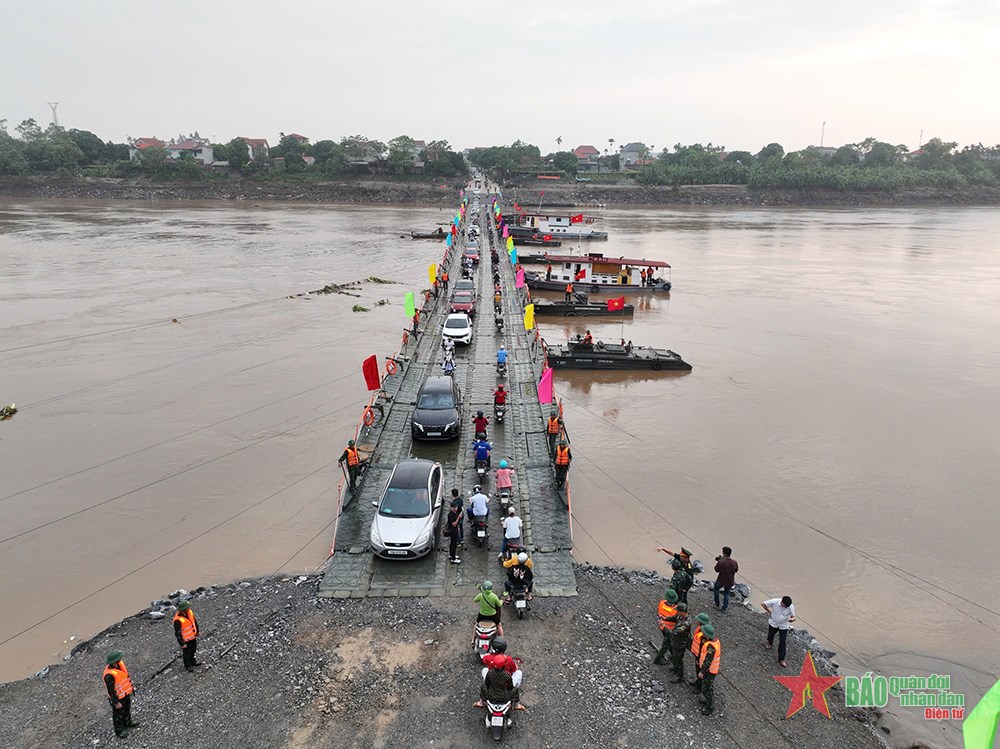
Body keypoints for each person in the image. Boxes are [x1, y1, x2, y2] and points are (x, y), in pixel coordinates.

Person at [103, 650, 138, 738]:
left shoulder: (119, 665)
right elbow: (111, 691)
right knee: (118, 714)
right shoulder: (109, 675)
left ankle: (128, 722)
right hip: (118, 698)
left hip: (125, 694)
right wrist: (116, 702)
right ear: (115, 661)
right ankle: (119, 730)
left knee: (127, 709)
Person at [693, 624, 721, 715]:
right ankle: (708, 701)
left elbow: (708, 661)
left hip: (709, 671)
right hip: (711, 671)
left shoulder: (711, 647)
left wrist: (702, 671)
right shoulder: (715, 642)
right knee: (709, 687)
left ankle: (710, 707)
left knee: (706, 689)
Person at [762, 595, 796, 667]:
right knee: (771, 634)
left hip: (783, 625)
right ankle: (769, 643)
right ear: (782, 602)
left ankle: (781, 659)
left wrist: (792, 619)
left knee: (783, 641)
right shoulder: (775, 601)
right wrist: (769, 611)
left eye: (787, 606)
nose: (786, 607)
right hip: (773, 623)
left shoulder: (790, 607)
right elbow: (763, 604)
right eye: (785, 606)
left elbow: (793, 617)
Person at [653, 589, 680, 665]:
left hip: (662, 627)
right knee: (666, 645)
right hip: (670, 630)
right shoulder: (675, 610)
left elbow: (658, 612)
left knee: (669, 642)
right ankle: (658, 659)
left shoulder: (661, 603)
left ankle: (672, 654)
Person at [173, 600, 200, 671]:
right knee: (187, 653)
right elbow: (177, 633)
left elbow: (194, 622)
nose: (188, 608)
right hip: (185, 640)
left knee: (193, 649)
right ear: (183, 610)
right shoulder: (177, 620)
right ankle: (188, 665)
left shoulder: (190, 612)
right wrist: (182, 643)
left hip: (192, 636)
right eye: (187, 608)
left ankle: (193, 661)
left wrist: (197, 631)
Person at [669, 603, 692, 683]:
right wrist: (665, 618)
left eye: (678, 611)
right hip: (675, 641)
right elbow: (674, 618)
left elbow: (675, 632)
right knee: (674, 657)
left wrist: (664, 626)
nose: (676, 612)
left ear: (682, 612)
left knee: (678, 659)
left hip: (680, 644)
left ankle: (679, 676)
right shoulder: (680, 616)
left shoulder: (686, 624)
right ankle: (675, 668)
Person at [713, 547, 739, 612]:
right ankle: (724, 608)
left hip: (721, 580)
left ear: (724, 553)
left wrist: (719, 561)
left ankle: (717, 604)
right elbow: (736, 570)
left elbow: (716, 570)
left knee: (716, 589)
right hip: (730, 581)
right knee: (726, 593)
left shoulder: (721, 562)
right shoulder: (734, 562)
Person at [689, 611, 712, 680]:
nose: (697, 622)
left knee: (700, 669)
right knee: (697, 669)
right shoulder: (701, 628)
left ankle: (700, 684)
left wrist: (698, 658)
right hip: (697, 654)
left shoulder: (704, 635)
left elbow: (702, 648)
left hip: (700, 656)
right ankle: (698, 682)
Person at [446, 498, 463, 563]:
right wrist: (458, 518)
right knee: (453, 544)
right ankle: (453, 559)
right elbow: (453, 524)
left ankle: (452, 555)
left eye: (456, 507)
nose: (456, 508)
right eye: (455, 507)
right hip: (452, 531)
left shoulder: (454, 513)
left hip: (454, 530)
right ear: (451, 508)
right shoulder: (450, 515)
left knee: (453, 544)